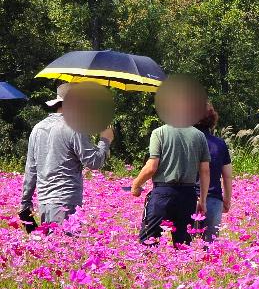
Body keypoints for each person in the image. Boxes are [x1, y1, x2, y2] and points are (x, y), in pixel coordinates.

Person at [20, 83, 114, 228]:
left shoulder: (38, 128)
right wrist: (105, 140)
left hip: (44, 201)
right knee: (65, 240)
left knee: (51, 241)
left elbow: (31, 170)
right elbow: (94, 162)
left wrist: (25, 202)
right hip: (66, 200)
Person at [131, 115, 210, 246]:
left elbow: (151, 167)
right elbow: (205, 171)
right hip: (188, 194)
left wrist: (136, 184)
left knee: (149, 240)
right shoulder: (199, 136)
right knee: (183, 243)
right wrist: (202, 200)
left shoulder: (159, 133)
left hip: (163, 193)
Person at [195, 102, 232, 242]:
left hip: (189, 197)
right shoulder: (219, 144)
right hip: (214, 200)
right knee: (210, 245)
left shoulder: (186, 142)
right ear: (212, 119)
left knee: (186, 244)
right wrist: (227, 200)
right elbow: (227, 176)